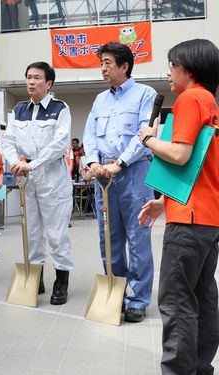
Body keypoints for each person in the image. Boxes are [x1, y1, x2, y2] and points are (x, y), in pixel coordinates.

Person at [138, 38, 219, 374]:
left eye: (173, 65)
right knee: (202, 299)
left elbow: (179, 154)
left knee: (176, 302)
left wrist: (147, 138)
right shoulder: (211, 102)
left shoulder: (190, 99)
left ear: (190, 68)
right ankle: (201, 368)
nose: (168, 72)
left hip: (187, 221)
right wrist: (162, 201)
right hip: (208, 218)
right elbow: (198, 166)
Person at [83, 42, 156, 323]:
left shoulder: (144, 95)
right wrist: (93, 162)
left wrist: (120, 163)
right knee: (109, 238)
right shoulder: (100, 100)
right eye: (101, 62)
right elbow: (89, 135)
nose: (102, 68)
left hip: (134, 173)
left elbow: (144, 134)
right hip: (104, 177)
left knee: (138, 238)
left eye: (107, 63)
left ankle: (137, 298)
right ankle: (117, 289)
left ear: (124, 66)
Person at [0, 61, 73, 305]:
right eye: (28, 77)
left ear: (49, 83)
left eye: (37, 78)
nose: (31, 81)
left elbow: (60, 144)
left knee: (56, 232)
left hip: (52, 174)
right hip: (26, 177)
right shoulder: (19, 110)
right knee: (31, 231)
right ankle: (36, 276)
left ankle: (61, 280)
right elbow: (8, 141)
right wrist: (14, 162)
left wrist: (32, 164)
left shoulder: (60, 108)